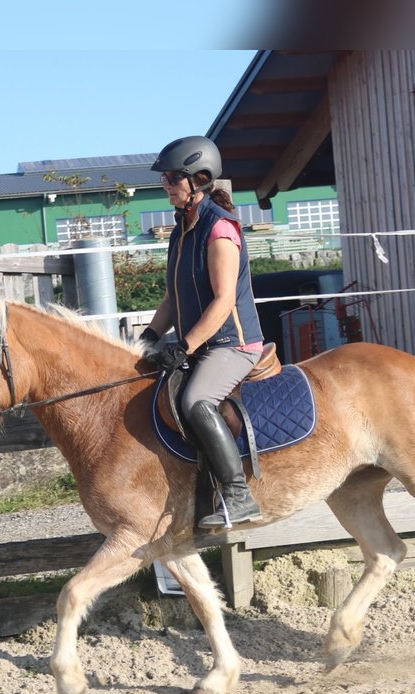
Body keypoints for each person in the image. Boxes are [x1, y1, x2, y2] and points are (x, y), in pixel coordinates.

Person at [138, 135, 265, 529]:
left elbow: (224, 300)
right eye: (165, 179)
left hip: (234, 344)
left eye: (173, 178)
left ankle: (239, 497)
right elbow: (173, 299)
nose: (166, 186)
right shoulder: (181, 230)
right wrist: (149, 336)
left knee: (195, 400)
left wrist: (185, 344)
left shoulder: (220, 229)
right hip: (201, 346)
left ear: (200, 178)